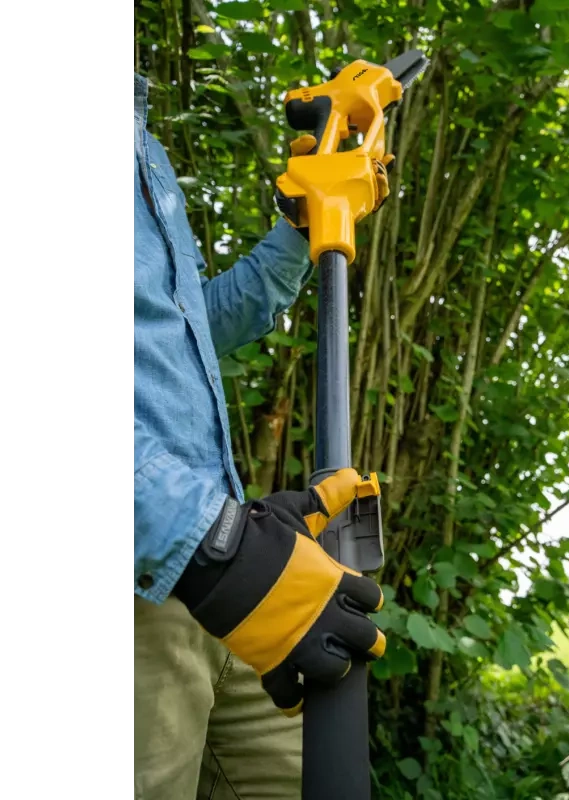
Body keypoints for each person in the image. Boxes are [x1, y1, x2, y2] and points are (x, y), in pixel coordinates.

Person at [132, 72, 386, 800]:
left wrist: (302, 227)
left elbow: (187, 333)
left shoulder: (138, 142)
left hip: (218, 585)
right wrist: (218, 551)